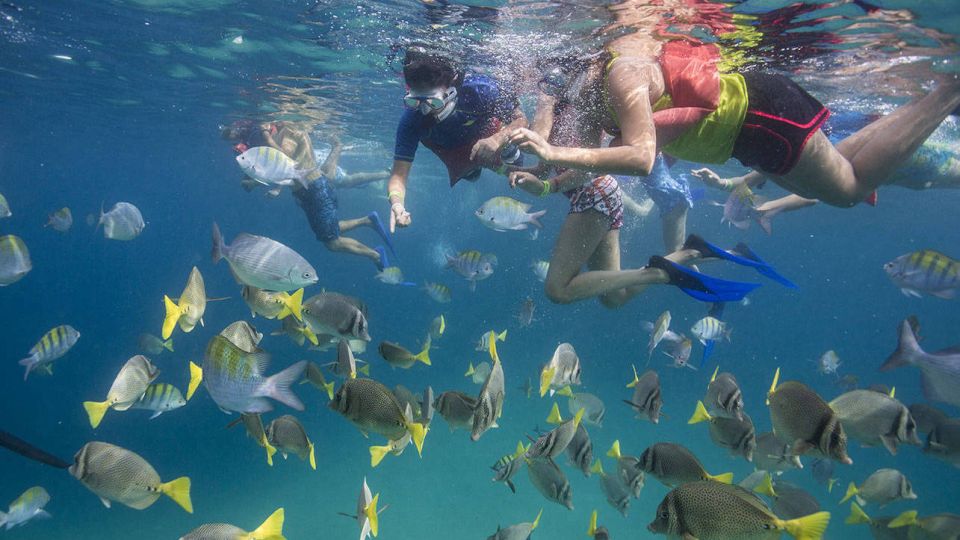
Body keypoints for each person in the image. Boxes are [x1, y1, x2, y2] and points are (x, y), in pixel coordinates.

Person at [506, 33, 960, 209]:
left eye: (557, 84)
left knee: (847, 190)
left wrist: (550, 151)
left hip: (759, 120)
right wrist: (545, 185)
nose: (562, 99)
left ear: (579, 64)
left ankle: (949, 90)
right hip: (755, 123)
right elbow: (606, 161)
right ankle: (937, 101)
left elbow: (642, 159)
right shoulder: (601, 93)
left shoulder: (622, 76)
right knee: (836, 171)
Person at [507, 67, 766, 307]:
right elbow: (542, 167)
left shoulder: (576, 109)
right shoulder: (571, 110)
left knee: (558, 289)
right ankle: (688, 253)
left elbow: (575, 160)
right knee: (614, 298)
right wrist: (521, 174)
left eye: (547, 83)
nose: (544, 88)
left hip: (593, 193)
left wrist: (545, 186)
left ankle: (657, 273)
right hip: (601, 193)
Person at [387, 47, 528, 232]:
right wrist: (397, 204)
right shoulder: (411, 119)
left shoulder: (480, 90)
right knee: (470, 175)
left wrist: (497, 139)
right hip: (448, 149)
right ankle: (478, 167)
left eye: (433, 102)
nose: (424, 110)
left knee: (516, 159)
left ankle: (503, 158)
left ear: (452, 89)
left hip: (487, 132)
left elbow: (521, 119)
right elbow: (398, 175)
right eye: (415, 101)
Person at [223, 121, 394, 269]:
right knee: (327, 230)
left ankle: (375, 255)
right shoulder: (284, 133)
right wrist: (256, 180)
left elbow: (288, 162)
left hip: (314, 190)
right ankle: (367, 221)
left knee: (331, 242)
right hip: (309, 193)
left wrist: (267, 137)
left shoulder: (292, 131)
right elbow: (283, 171)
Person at [222, 120, 389, 191]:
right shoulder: (256, 144)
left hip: (311, 161)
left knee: (342, 180)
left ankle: (385, 173)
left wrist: (263, 185)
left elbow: (281, 162)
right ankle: (381, 175)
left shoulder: (269, 137)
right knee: (343, 181)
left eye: (235, 136)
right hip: (304, 164)